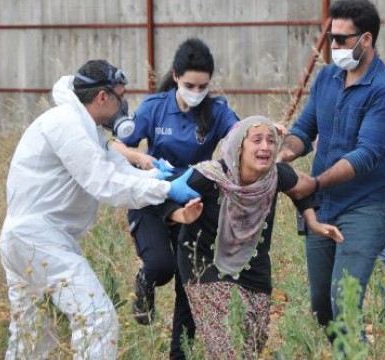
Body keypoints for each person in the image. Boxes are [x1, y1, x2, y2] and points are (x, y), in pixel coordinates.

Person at [0, 59, 200, 360]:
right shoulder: (67, 124)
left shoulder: (85, 127)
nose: (125, 105)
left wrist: (155, 176)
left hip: (33, 240)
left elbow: (115, 168)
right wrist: (167, 190)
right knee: (97, 318)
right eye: (122, 96)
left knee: (33, 337)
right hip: (37, 238)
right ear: (103, 97)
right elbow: (104, 184)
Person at [154, 116, 343, 359]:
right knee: (228, 347)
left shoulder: (275, 175)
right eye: (256, 140)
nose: (265, 146)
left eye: (270, 141)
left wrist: (313, 222)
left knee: (252, 344)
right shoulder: (209, 176)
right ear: (239, 147)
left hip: (253, 268)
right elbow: (164, 197)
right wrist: (182, 215)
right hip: (204, 265)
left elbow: (301, 190)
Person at [277, 0, 385, 335]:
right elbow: (304, 130)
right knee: (322, 307)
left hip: (363, 208)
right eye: (332, 38)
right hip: (322, 207)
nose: (334, 46)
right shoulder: (327, 78)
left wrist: (314, 184)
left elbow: (367, 154)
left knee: (344, 303)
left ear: (366, 39)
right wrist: (284, 154)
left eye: (342, 40)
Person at [112, 38, 239, 358]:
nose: (196, 92)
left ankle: (178, 354)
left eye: (203, 86)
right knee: (161, 267)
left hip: (194, 203)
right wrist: (139, 158)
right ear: (176, 77)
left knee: (189, 285)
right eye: (189, 85)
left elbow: (240, 136)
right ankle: (145, 281)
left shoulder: (217, 110)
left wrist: (262, 131)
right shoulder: (155, 107)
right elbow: (115, 145)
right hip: (153, 198)